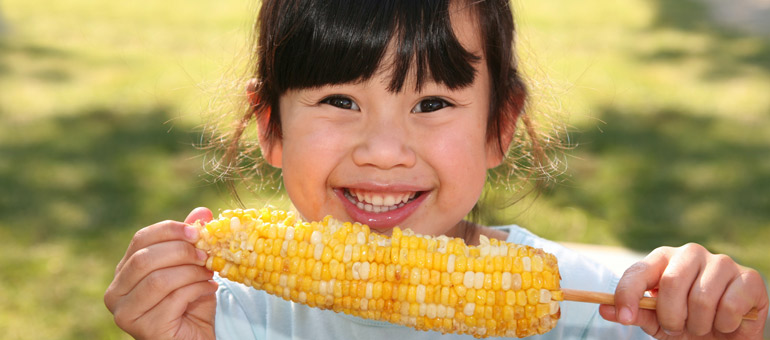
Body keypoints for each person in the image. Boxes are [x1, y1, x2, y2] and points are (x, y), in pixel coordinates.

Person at [103, 0, 769, 339]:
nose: (384, 151)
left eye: (431, 102)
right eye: (340, 100)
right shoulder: (230, 321)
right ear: (270, 126)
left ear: (499, 126)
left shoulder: (598, 309)